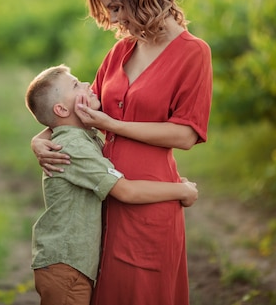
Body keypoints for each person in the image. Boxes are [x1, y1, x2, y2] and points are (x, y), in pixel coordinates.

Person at [31, 0, 213, 305]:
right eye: (108, 10)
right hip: (100, 196)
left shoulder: (194, 53)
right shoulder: (121, 52)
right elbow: (76, 110)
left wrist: (115, 125)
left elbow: (185, 135)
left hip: (148, 196)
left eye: (117, 7)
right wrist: (39, 139)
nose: (114, 20)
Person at [25, 64, 199, 305]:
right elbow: (125, 191)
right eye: (76, 85)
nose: (87, 85)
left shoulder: (83, 138)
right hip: (65, 266)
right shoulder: (74, 148)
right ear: (61, 108)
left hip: (71, 266)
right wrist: (182, 189)